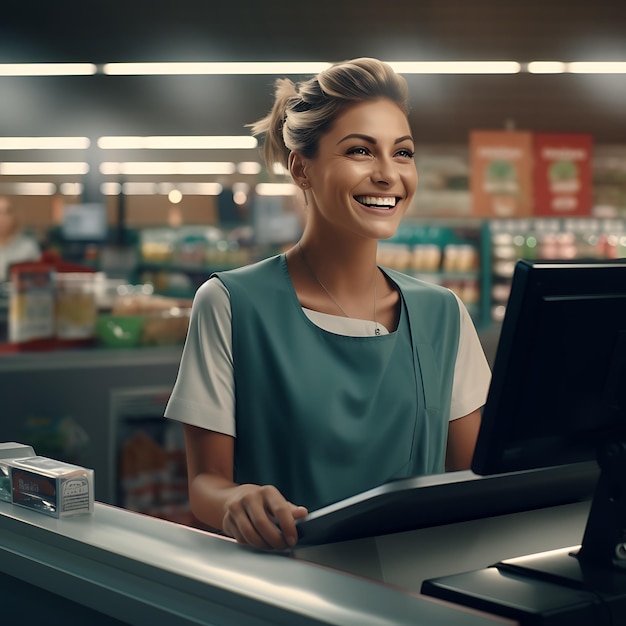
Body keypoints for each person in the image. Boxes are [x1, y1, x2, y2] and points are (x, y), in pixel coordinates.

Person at [165, 58, 491, 550]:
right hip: (285, 592)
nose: (387, 174)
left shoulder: (443, 313)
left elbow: (473, 483)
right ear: (302, 169)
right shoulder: (231, 303)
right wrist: (235, 502)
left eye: (402, 153)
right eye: (361, 150)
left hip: (415, 594)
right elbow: (206, 483)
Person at [0, 196, 41, 282]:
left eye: (6, 213)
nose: (2, 218)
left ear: (14, 216)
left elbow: (39, 280)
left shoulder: (28, 248)